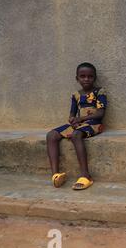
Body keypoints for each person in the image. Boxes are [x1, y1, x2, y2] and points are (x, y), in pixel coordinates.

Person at [46, 62, 107, 190]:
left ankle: (86, 175)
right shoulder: (76, 95)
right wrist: (73, 119)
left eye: (90, 76)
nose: (86, 79)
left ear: (94, 78)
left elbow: (100, 113)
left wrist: (81, 119)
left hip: (95, 124)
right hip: (80, 123)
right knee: (51, 135)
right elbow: (72, 113)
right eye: (82, 76)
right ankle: (55, 175)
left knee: (76, 135)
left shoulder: (99, 91)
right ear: (77, 78)